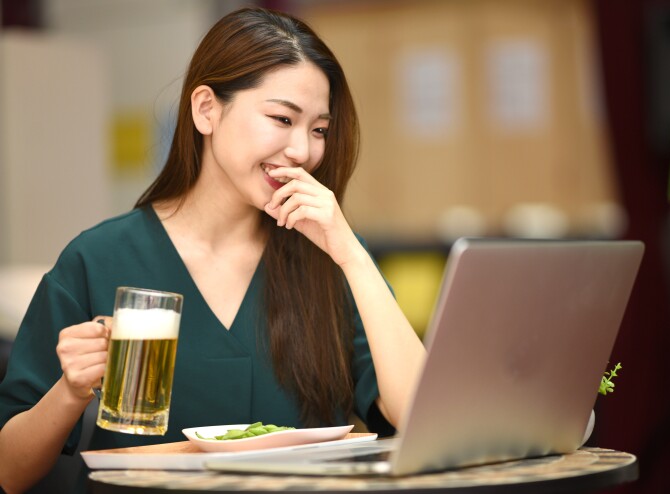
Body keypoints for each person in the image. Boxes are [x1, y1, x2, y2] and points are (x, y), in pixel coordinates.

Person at [0, 7, 426, 493]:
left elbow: (421, 417)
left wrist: (351, 252)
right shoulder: (98, 258)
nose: (302, 151)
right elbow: (10, 472)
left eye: (318, 129)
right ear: (206, 109)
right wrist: (70, 392)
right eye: (281, 118)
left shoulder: (332, 259)